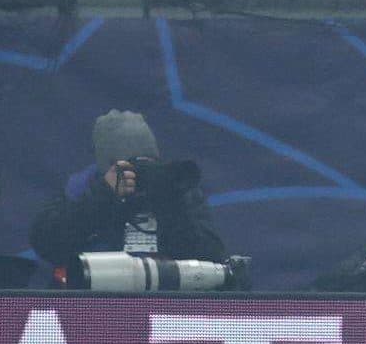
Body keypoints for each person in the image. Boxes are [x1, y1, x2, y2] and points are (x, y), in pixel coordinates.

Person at [30, 110, 225, 276]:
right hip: (95, 301)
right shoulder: (82, 189)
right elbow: (47, 245)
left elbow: (211, 260)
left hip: (163, 301)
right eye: (133, 167)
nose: (141, 173)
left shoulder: (176, 189)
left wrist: (169, 203)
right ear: (108, 168)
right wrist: (104, 195)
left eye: (149, 163)